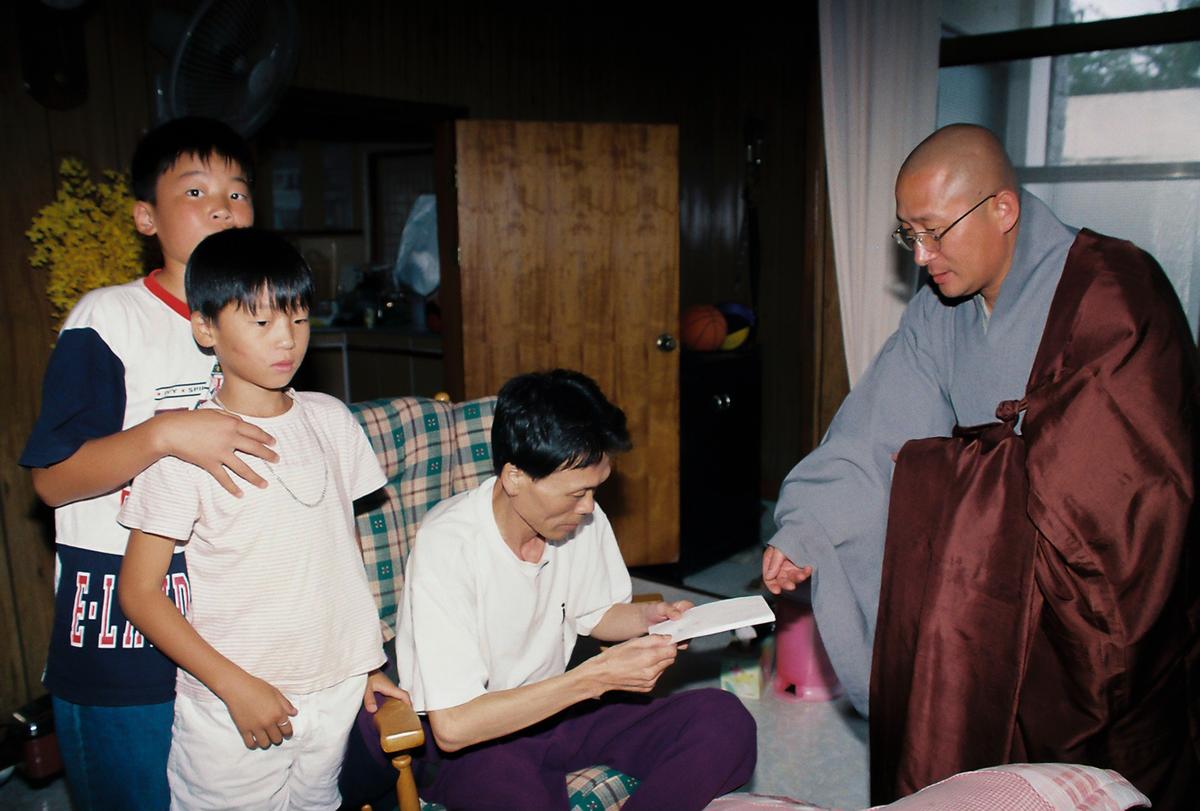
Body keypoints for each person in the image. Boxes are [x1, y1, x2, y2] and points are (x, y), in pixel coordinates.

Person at [763, 124, 1197, 806]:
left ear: (1002, 208)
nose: (922, 255)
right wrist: (810, 524)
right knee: (961, 748)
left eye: (935, 231)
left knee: (1102, 770)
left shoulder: (1114, 289)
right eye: (909, 234)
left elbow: (1123, 482)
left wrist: (965, 481)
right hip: (984, 595)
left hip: (1091, 596)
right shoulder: (939, 314)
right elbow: (877, 432)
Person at [19, 117, 274, 810]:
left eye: (237, 192)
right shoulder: (108, 318)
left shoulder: (262, 323)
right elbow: (52, 479)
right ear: (145, 217)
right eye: (195, 191)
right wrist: (166, 434)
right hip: (121, 635)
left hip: (231, 621)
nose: (222, 207)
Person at [116, 228, 408, 809]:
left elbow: (341, 554)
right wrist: (234, 687)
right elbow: (139, 593)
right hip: (235, 705)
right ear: (205, 328)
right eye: (261, 321)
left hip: (335, 691)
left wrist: (365, 661)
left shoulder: (331, 420)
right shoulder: (186, 446)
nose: (286, 339)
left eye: (298, 318)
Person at [394, 369, 757, 811]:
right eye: (576, 493)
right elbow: (455, 727)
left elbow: (596, 613)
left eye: (595, 490)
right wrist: (595, 678)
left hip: (559, 712)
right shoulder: (448, 545)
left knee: (724, 720)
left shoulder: (576, 518)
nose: (588, 508)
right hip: (478, 742)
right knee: (511, 789)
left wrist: (649, 618)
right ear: (514, 477)